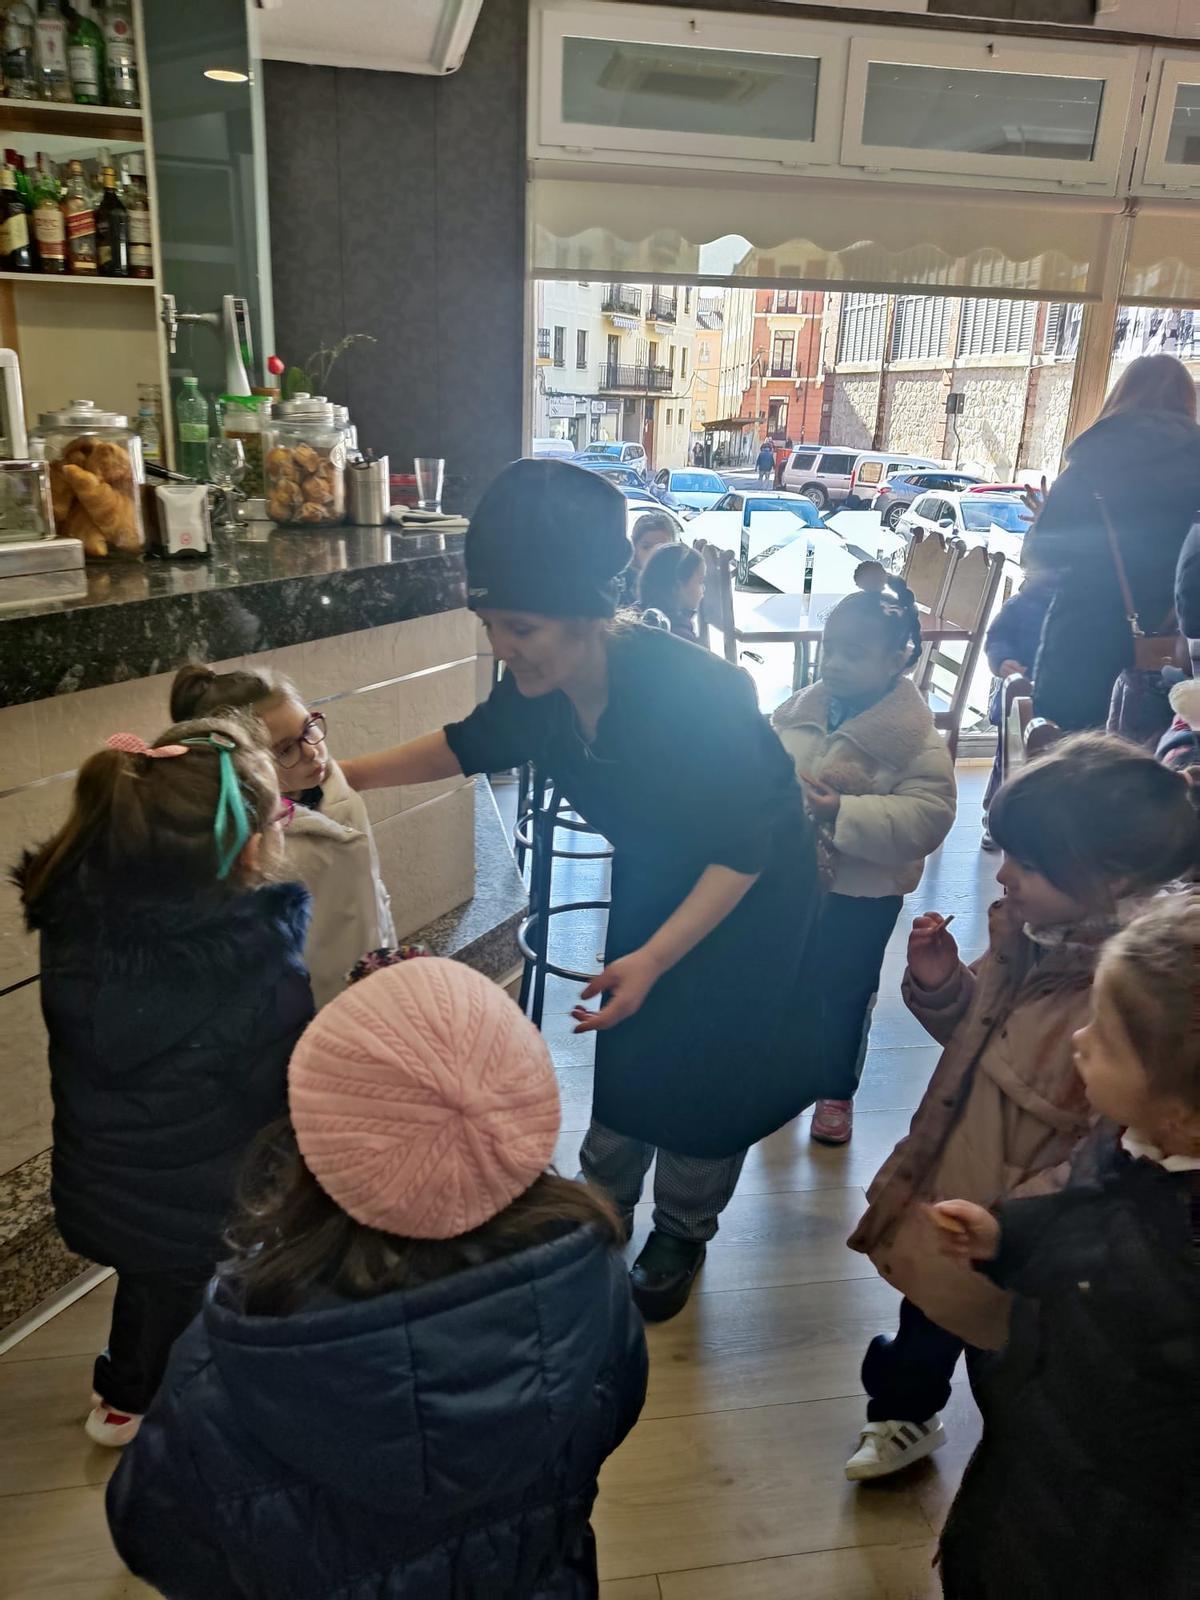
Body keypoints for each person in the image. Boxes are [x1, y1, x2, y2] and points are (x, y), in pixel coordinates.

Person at [340, 459, 819, 1322]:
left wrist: (658, 956)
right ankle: (603, 1208)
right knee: (632, 1051)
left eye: (519, 626)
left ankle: (682, 1225)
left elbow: (749, 846)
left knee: (709, 1076)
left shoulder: (698, 691)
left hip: (747, 902)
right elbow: (469, 742)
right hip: (657, 880)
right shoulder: (542, 684)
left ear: (593, 614)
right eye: (490, 624)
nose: (501, 647)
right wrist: (335, 781)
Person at [106, 957, 648, 1600]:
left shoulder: (220, 1367)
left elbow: (155, 1532)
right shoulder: (595, 1282)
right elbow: (614, 1411)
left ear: (311, 1143)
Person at [843, 733, 1198, 1482]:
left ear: (1115, 876)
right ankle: (902, 1414)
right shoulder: (1030, 930)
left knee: (1012, 1354)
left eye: (1026, 862)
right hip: (959, 1179)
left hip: (1028, 1224)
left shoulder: (1135, 996)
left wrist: (1016, 1227)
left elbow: (1107, 1157)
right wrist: (944, 987)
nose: (1002, 875)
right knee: (926, 1316)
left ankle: (1012, 1460)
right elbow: (980, 1039)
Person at [15, 719, 313, 1447]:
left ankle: (125, 1388)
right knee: (184, 1291)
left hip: (104, 1183)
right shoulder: (261, 965)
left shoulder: (76, 929)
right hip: (208, 1199)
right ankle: (154, 1400)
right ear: (247, 846)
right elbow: (284, 1097)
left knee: (152, 1281)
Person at [932, 893, 1200, 1600]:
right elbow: (1092, 1221)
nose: (1078, 1038)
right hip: (1040, 1446)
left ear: (1182, 1116)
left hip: (1109, 1528)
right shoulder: (1133, 1145)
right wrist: (1008, 1236)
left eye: (1104, 1037)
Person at [772, 578, 957, 1146]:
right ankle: (782, 1074)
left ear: (898, 658)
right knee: (788, 977)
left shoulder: (913, 740)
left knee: (846, 990)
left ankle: (835, 1090)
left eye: (855, 652)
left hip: (864, 891)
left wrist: (842, 812)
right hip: (792, 882)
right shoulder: (798, 712)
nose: (836, 663)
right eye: (831, 648)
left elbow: (928, 814)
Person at [170, 663, 394, 1007]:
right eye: (286, 750)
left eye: (310, 729)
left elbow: (367, 888)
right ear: (245, 767)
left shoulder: (336, 791)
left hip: (374, 972)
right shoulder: (257, 851)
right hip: (317, 1008)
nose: (311, 751)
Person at [1024, 353, 1200, 731]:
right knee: (1165, 773)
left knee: (1069, 768)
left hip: (1083, 650)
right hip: (1181, 660)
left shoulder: (1088, 468)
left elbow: (1039, 559)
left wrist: (1046, 522)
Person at [980, 571, 1056, 848]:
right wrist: (1003, 660)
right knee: (1007, 762)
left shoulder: (1086, 602)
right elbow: (996, 638)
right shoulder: (1019, 604)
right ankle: (995, 815)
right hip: (1018, 691)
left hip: (1058, 693)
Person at [637, 542, 705, 642]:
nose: (703, 588)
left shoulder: (635, 616)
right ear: (678, 587)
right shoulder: (680, 637)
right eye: (700, 582)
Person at [618, 509, 678, 605]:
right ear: (634, 548)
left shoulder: (680, 583)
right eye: (646, 547)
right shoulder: (622, 586)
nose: (653, 553)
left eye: (662, 547)